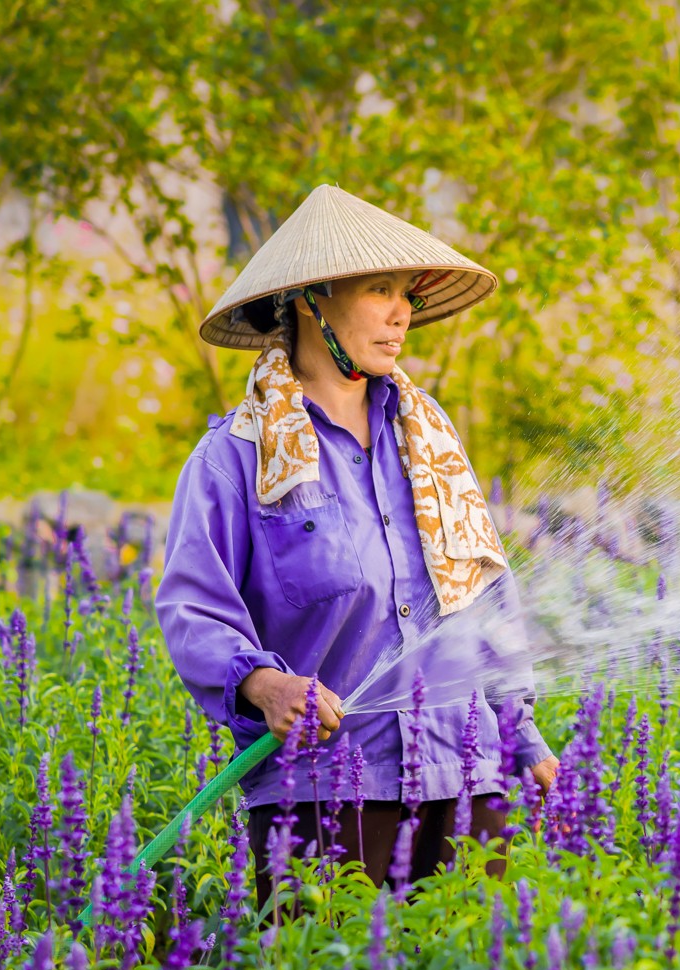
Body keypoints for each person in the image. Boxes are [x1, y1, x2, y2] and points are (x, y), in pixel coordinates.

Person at [156, 183, 558, 912]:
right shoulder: (237, 458)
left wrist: (524, 738)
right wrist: (264, 685)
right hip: (324, 791)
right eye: (380, 290)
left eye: (406, 292)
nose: (403, 312)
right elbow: (192, 607)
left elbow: (488, 598)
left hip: (464, 779)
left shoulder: (429, 441)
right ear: (312, 300)